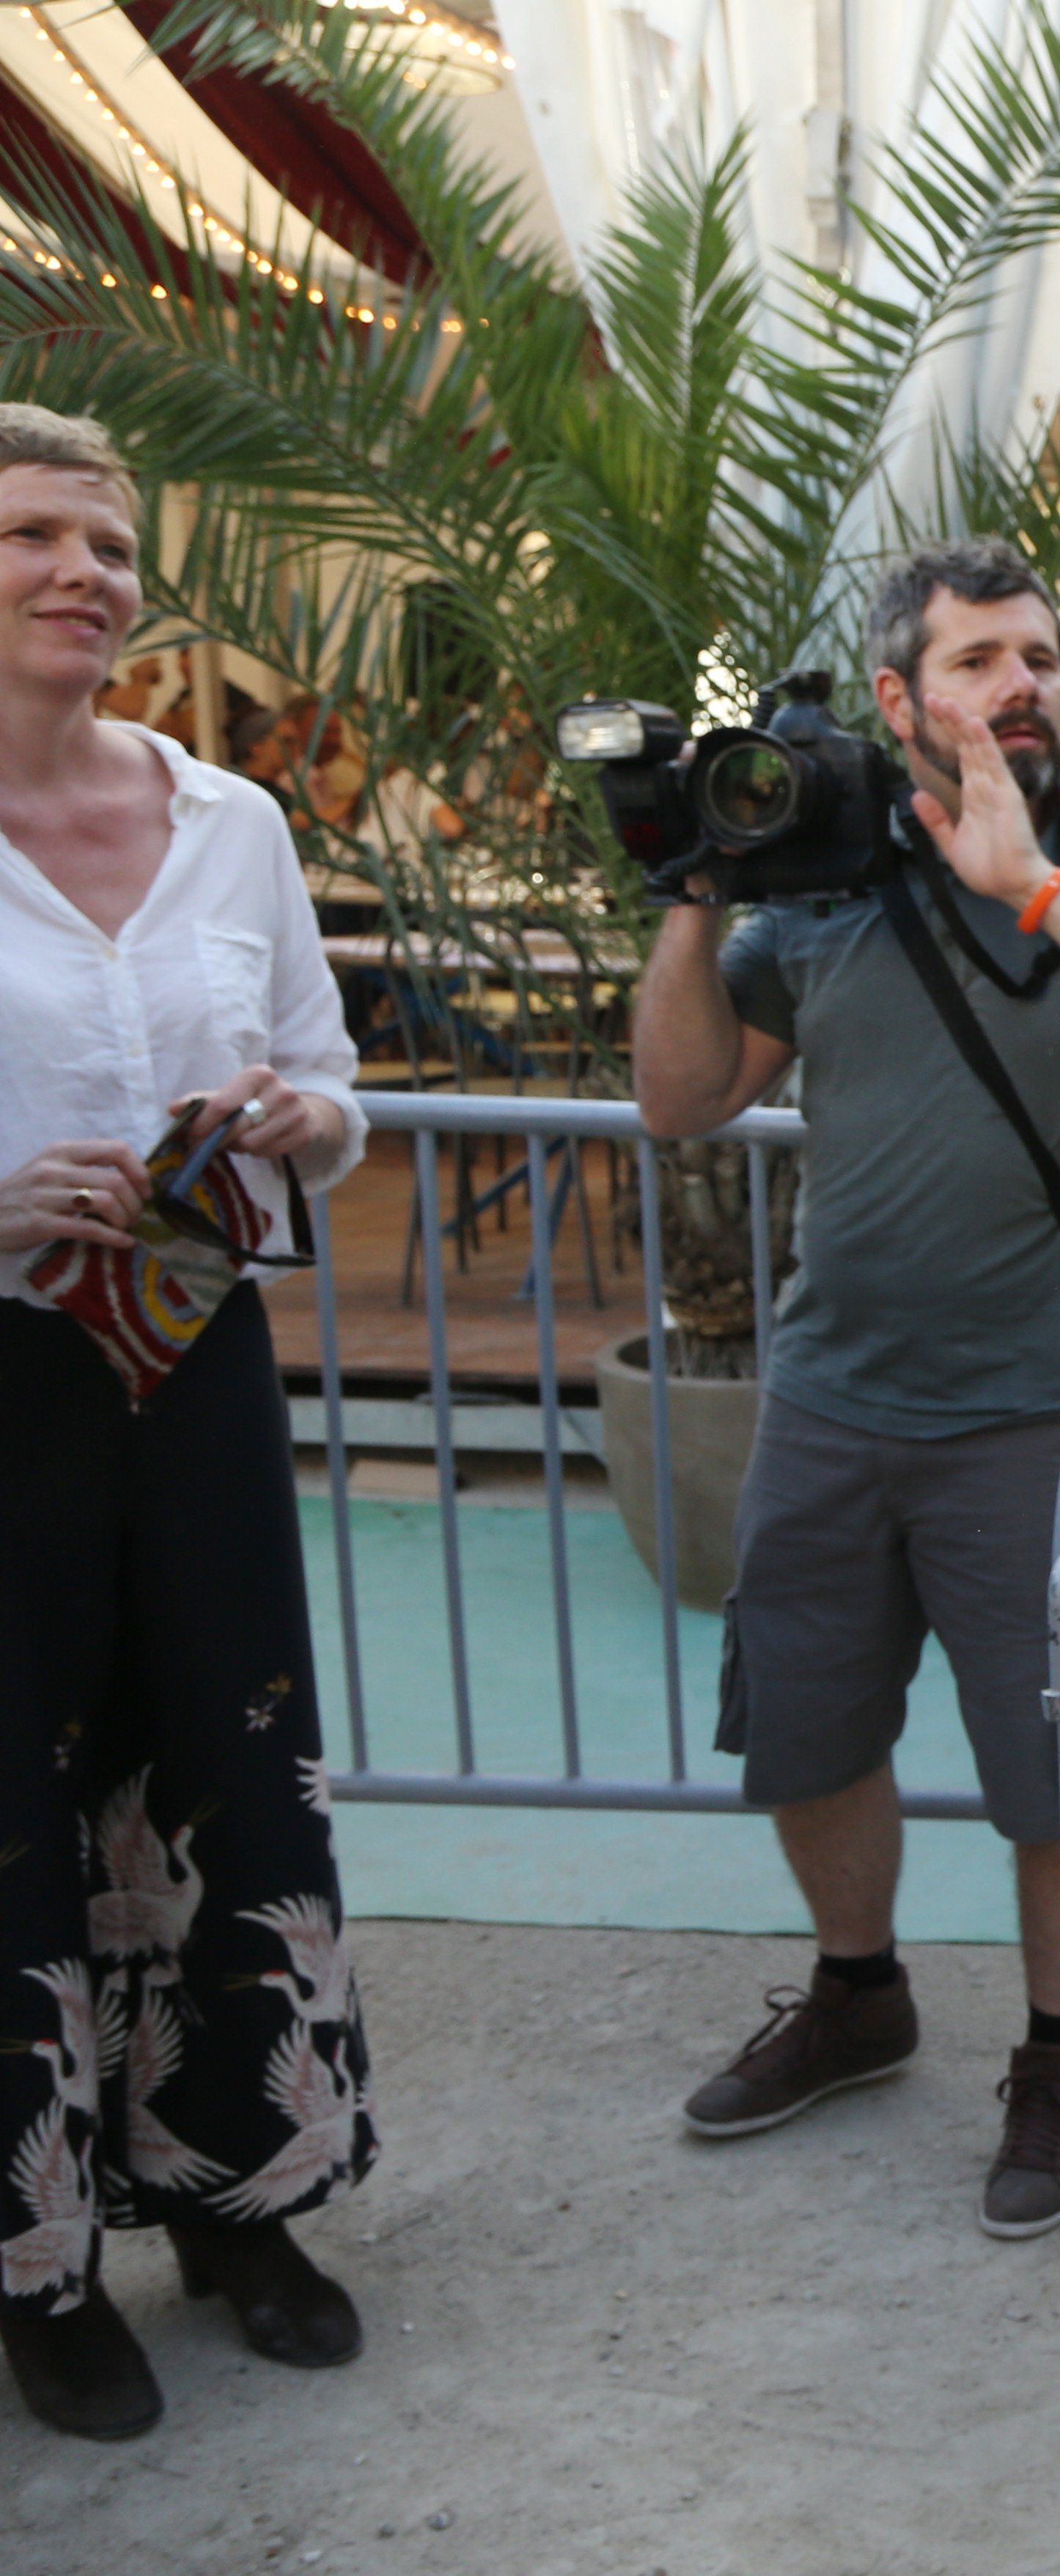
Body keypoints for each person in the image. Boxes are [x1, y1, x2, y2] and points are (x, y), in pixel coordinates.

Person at [633, 538, 1060, 2234]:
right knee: (806, 1727)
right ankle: (858, 1992)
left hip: (1050, 1417)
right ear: (898, 699)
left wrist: (1038, 889)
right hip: (832, 1395)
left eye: (1038, 656)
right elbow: (681, 1096)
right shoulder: (823, 885)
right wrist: (693, 888)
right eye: (979, 661)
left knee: (1057, 1773)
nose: (1022, 685)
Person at [0, 405, 376, 2441]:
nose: (85, 573)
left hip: (197, 1365)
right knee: (15, 1803)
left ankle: (242, 2206)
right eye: (34, 535)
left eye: (111, 545)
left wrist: (309, 1116)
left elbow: (330, 1079)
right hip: (4, 1384)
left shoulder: (231, 821)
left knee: (229, 1772)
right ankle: (39, 2266)